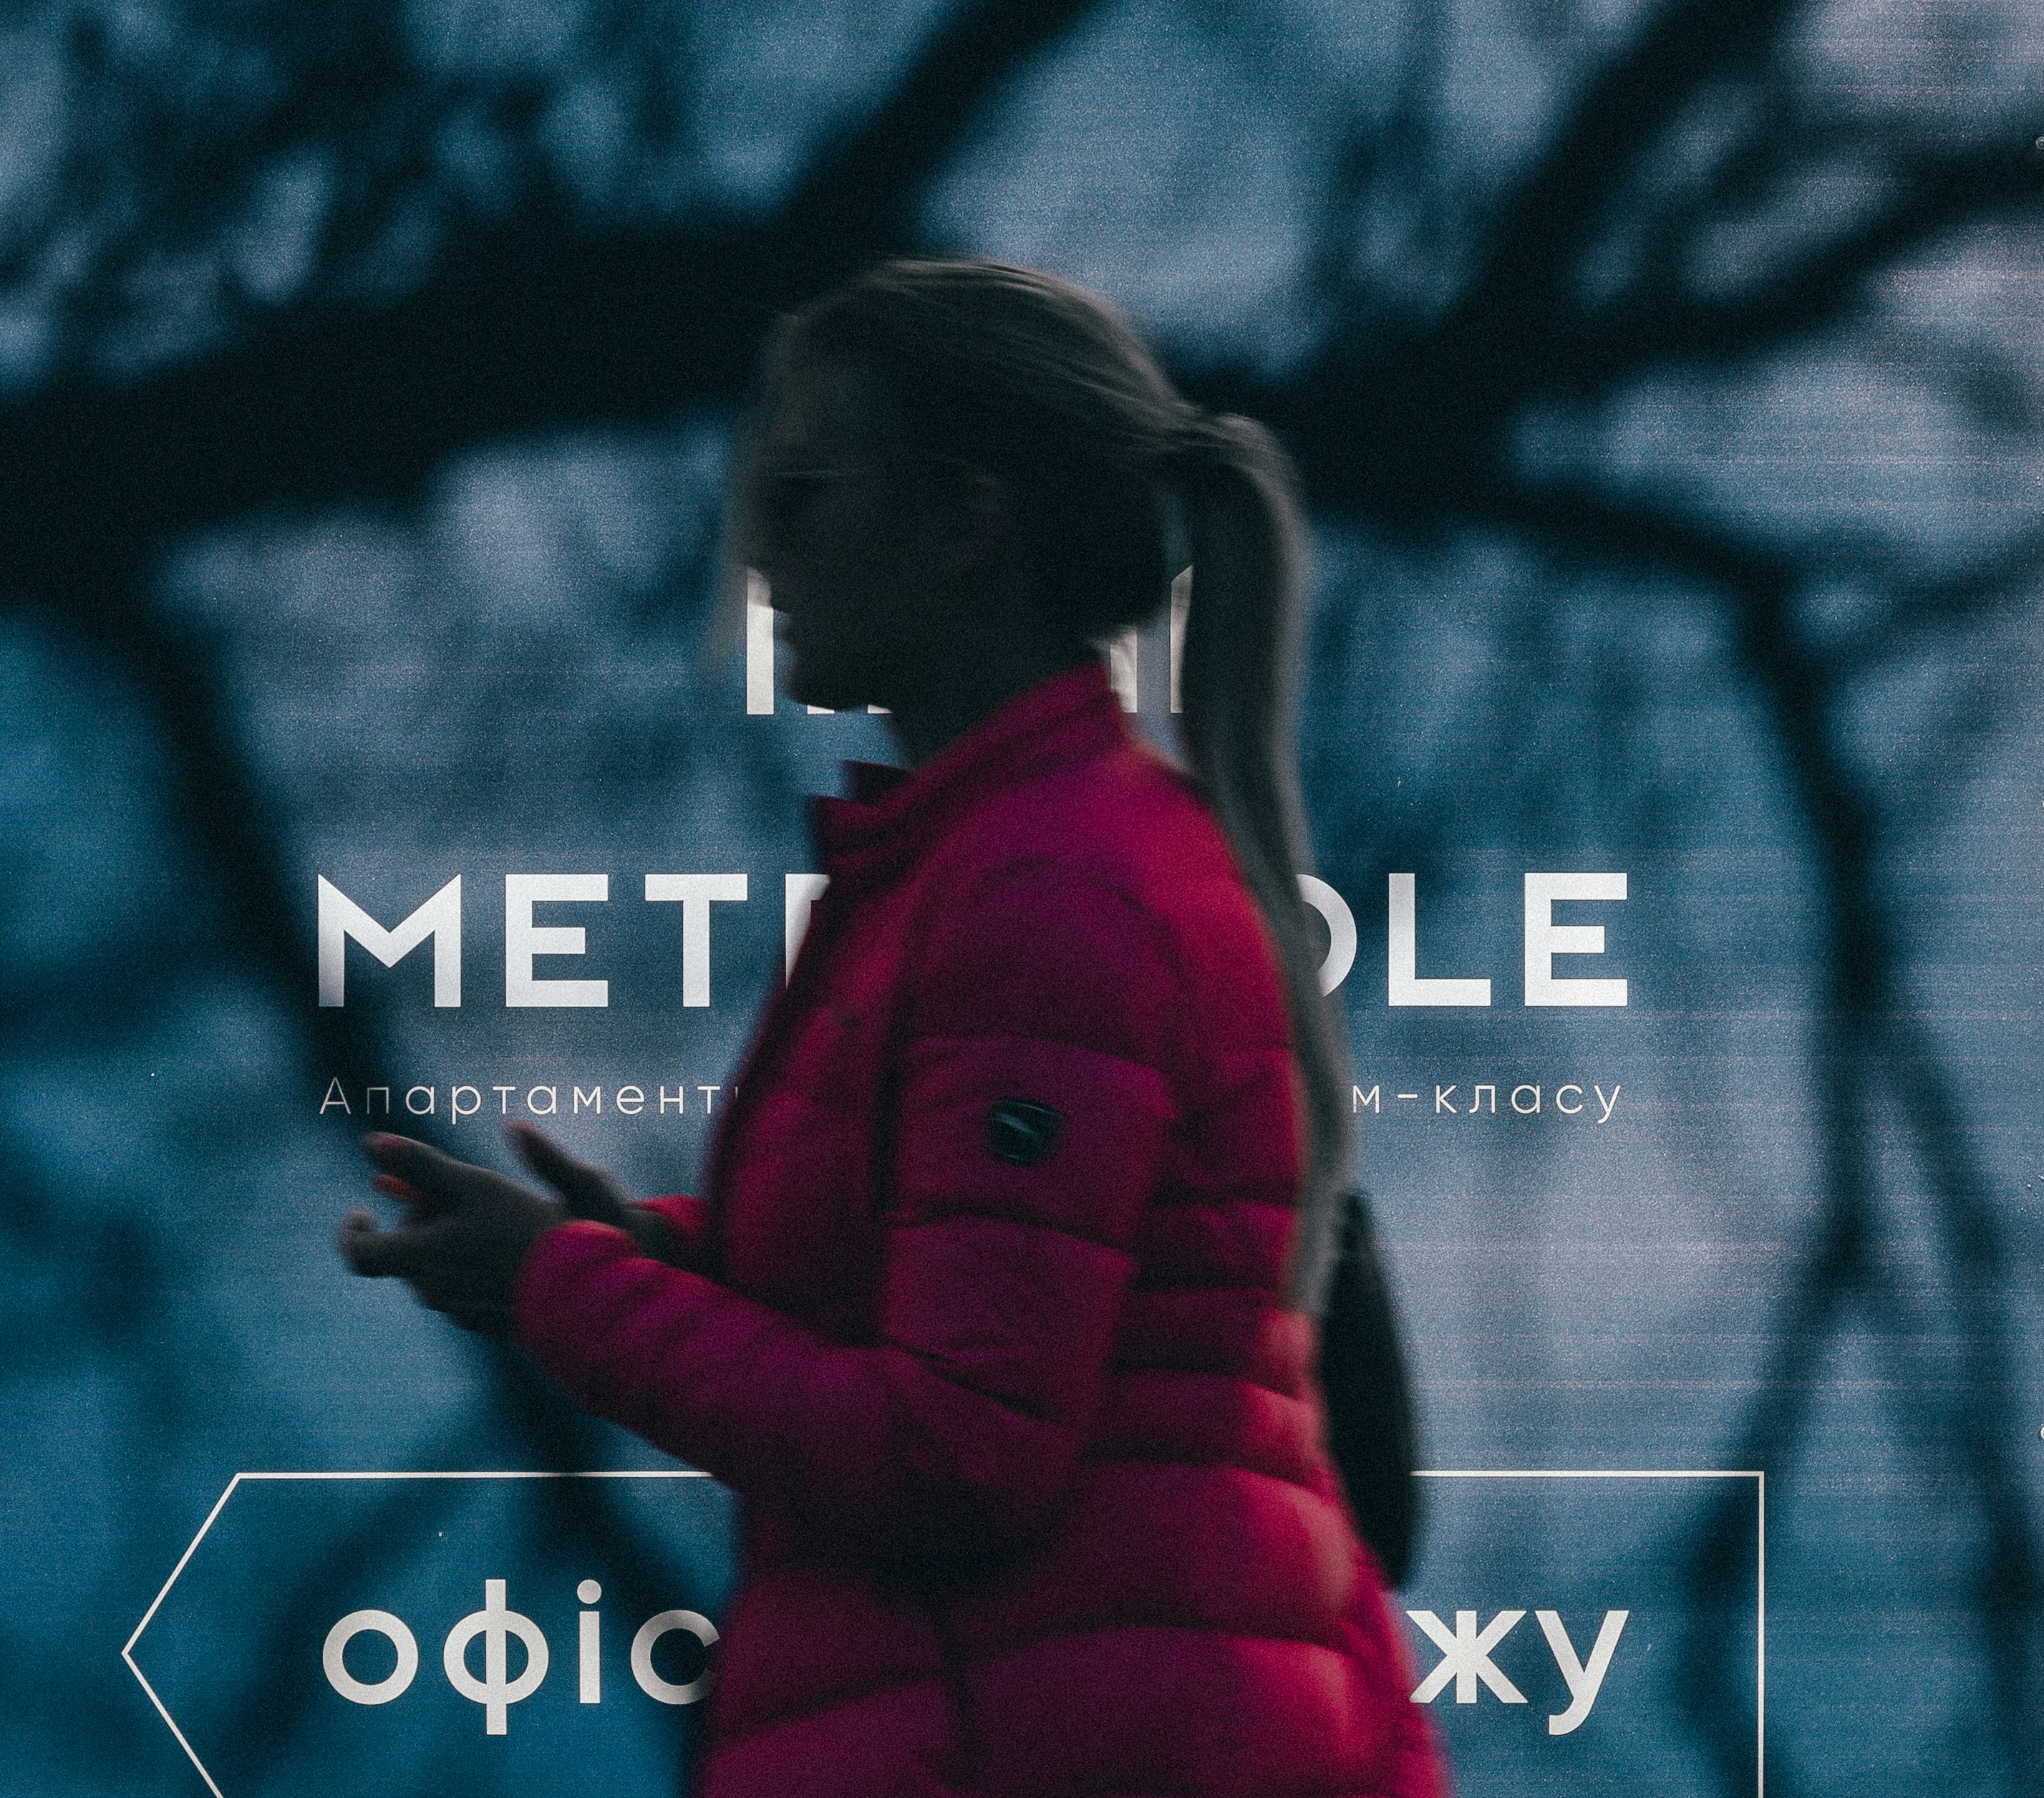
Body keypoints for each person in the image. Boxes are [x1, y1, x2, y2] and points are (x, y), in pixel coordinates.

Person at [341, 257, 1445, 1798]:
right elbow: (1000, 1278)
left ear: (964, 525)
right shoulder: (999, 858)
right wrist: (676, 1261)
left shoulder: (1049, 887)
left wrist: (564, 1292)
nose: (755, 550)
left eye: (797, 495)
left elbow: (950, 1448)